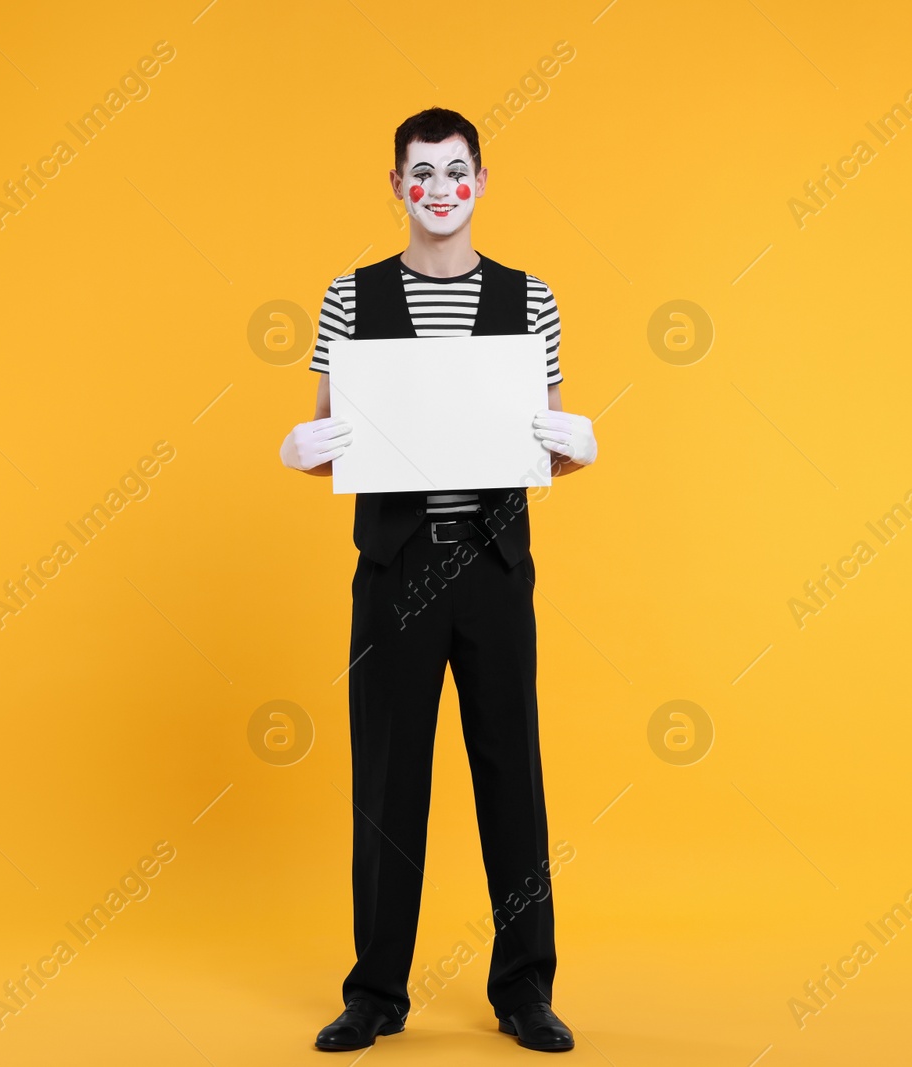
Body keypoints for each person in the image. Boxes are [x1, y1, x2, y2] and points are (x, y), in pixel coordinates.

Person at [278, 107, 598, 1053]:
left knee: (513, 774)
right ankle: (376, 991)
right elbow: (334, 439)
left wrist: (580, 447)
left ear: (483, 180)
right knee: (387, 781)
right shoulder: (352, 297)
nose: (441, 190)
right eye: (421, 174)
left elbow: (545, 449)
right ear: (396, 186)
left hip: (493, 568)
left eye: (457, 172)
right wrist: (296, 451)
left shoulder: (529, 298)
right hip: (394, 568)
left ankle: (525, 988)